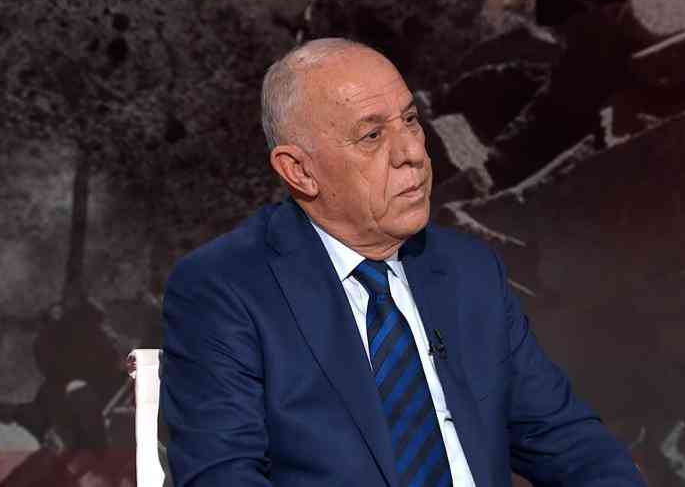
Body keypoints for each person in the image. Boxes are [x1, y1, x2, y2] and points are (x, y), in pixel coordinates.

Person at [161, 38, 646, 487]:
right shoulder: (225, 288)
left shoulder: (470, 270)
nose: (413, 152)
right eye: (372, 135)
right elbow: (222, 475)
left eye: (410, 121)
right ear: (300, 170)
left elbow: (565, 438)